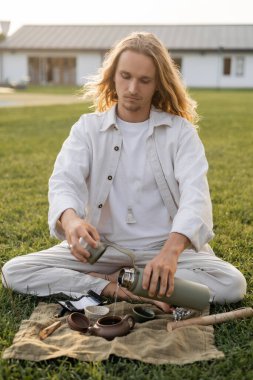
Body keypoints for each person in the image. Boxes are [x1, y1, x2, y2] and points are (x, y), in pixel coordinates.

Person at [1, 32, 247, 311]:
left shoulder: (180, 132)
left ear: (158, 84)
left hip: (163, 249)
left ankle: (137, 280)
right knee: (14, 271)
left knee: (231, 283)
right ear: (113, 77)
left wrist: (170, 253)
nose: (132, 88)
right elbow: (63, 181)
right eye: (126, 76)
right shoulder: (87, 128)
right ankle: (107, 284)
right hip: (100, 252)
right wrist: (70, 221)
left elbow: (196, 196)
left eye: (144, 80)